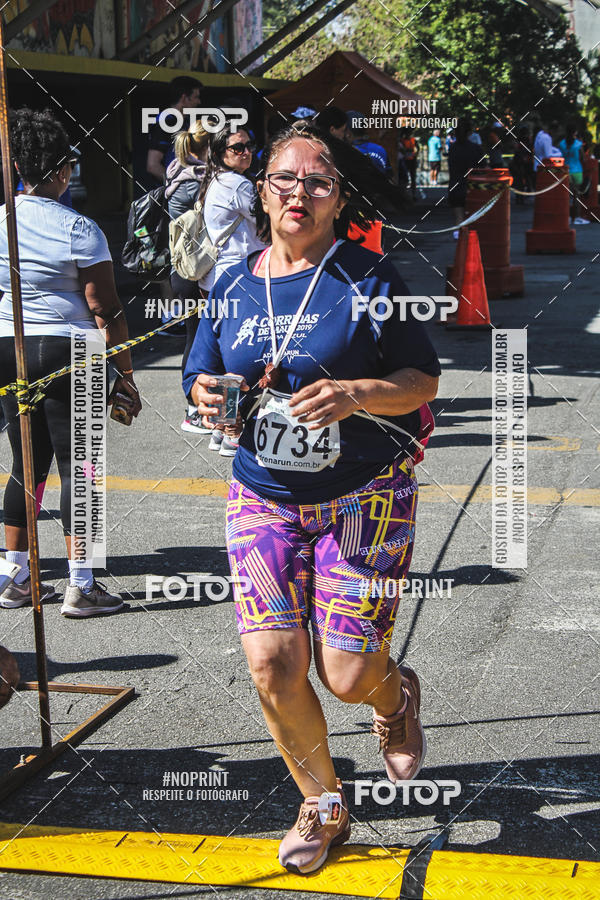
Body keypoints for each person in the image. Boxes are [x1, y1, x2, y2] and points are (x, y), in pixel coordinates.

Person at [183, 123, 440, 874]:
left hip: (365, 494)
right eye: (285, 180)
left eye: (318, 183)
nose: (301, 193)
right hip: (263, 494)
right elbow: (199, 375)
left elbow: (421, 381)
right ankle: (323, 806)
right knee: (273, 662)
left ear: (338, 200)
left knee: (348, 675)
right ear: (262, 192)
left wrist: (357, 393)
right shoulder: (231, 285)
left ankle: (394, 700)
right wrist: (206, 395)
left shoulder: (370, 278)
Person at [0, 109, 141, 615]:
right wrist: (125, 373)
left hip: (11, 347)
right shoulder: (80, 227)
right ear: (62, 170)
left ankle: (15, 576)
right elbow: (106, 309)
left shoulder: (1, 219)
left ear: (20, 168)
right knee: (80, 469)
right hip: (72, 350)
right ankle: (80, 584)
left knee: (26, 464)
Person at [198, 122, 267, 456]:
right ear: (219, 153)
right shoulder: (238, 184)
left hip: (221, 278)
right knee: (239, 358)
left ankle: (221, 428)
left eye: (249, 145)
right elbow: (267, 220)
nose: (246, 152)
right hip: (242, 278)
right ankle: (231, 432)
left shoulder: (216, 180)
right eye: (237, 148)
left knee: (228, 355)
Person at [165, 120, 212, 433]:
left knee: (194, 337)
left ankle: (196, 408)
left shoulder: (175, 172)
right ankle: (194, 410)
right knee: (198, 340)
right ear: (209, 148)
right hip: (196, 271)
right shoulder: (197, 182)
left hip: (181, 269)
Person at [146, 76, 203, 185]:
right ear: (184, 98)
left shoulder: (186, 123)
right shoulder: (166, 122)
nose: (199, 102)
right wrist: (175, 187)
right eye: (196, 97)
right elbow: (153, 165)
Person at [448, 118, 481, 238]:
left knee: (459, 217)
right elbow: (481, 168)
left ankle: (459, 237)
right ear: (470, 132)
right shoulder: (476, 148)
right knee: (474, 217)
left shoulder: (452, 148)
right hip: (472, 186)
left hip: (455, 185)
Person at [559, 123, 587, 225]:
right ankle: (577, 217)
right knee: (577, 196)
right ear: (575, 132)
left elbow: (559, 156)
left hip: (566, 171)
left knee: (567, 196)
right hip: (577, 171)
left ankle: (567, 217)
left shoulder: (562, 143)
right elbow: (583, 158)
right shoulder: (578, 144)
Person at [399, 127, 418, 199]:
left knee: (413, 178)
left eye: (410, 133)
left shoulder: (414, 140)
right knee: (404, 178)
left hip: (412, 161)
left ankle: (413, 194)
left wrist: (414, 153)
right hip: (405, 161)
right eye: (408, 133)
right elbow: (402, 150)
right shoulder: (402, 141)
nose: (409, 134)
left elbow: (417, 149)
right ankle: (405, 194)